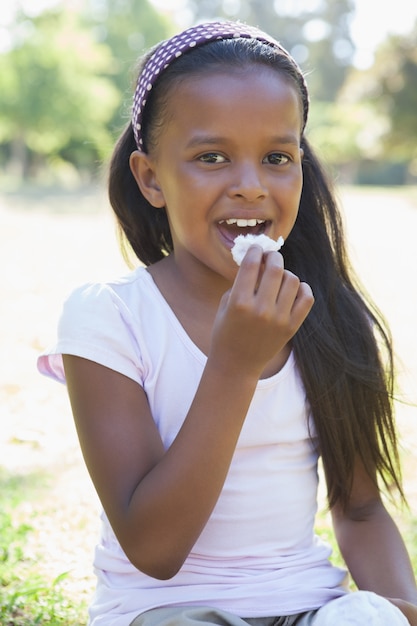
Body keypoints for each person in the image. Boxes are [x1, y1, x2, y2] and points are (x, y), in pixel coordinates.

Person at [38, 20, 417, 626]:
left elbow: (363, 509)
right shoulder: (109, 316)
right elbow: (154, 549)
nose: (250, 186)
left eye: (276, 158)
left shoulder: (330, 317)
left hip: (307, 609)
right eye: (211, 157)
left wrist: (401, 611)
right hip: (165, 612)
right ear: (151, 177)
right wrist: (235, 364)